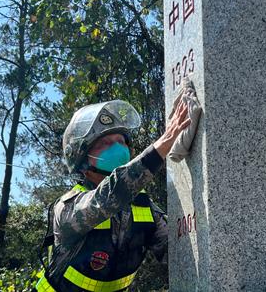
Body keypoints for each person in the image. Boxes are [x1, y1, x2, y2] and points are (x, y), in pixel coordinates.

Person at [36, 99, 191, 292]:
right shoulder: (69, 207)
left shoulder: (144, 207)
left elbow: (177, 254)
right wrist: (161, 146)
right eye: (105, 143)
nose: (117, 148)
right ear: (82, 158)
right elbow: (107, 197)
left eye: (121, 141)